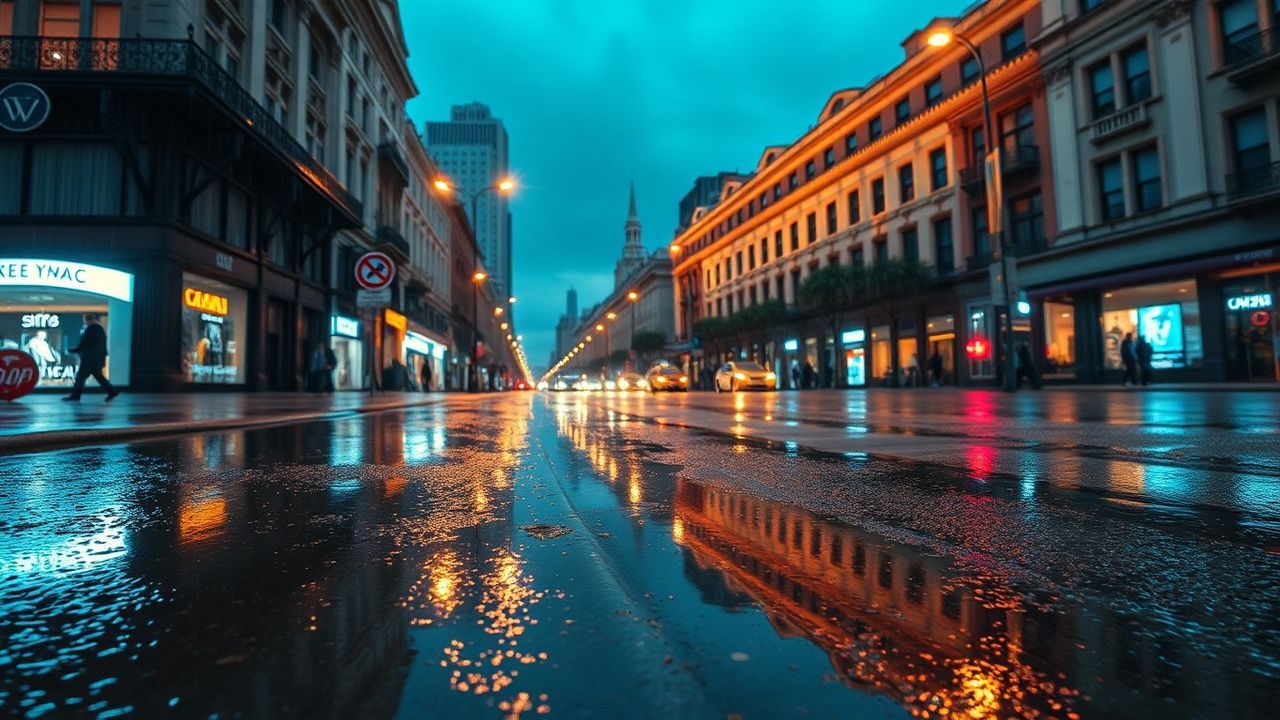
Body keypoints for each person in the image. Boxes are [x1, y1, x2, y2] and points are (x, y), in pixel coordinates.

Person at [65, 313, 118, 402]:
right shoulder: (99, 328)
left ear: (87, 320)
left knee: (81, 377)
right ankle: (112, 391)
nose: (85, 323)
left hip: (89, 359)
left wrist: (74, 350)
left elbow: (85, 343)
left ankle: (75, 395)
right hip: (96, 359)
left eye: (85, 321)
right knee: (98, 377)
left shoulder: (92, 329)